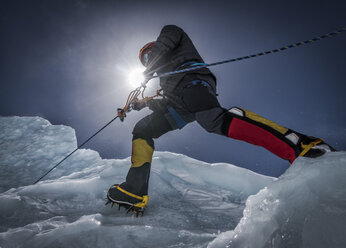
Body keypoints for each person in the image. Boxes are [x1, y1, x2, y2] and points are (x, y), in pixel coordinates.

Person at [106, 25, 335, 215]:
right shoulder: (164, 77)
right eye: (144, 60)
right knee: (143, 128)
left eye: (147, 55)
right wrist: (143, 104)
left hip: (193, 82)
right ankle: (135, 190)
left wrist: (151, 66)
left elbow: (168, 41)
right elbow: (166, 102)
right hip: (180, 101)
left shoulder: (170, 34)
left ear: (153, 48)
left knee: (212, 119)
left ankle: (300, 144)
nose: (147, 61)